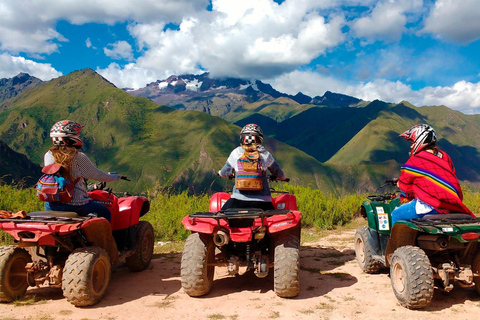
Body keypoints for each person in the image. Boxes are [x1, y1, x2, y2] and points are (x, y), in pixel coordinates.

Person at [391, 124, 474, 225]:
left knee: (395, 214)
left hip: (430, 205)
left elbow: (405, 185)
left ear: (421, 140)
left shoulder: (416, 160)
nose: (411, 146)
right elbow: (450, 176)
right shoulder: (444, 156)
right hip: (451, 204)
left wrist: (400, 185)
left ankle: (396, 241)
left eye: (412, 142)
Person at [43, 120, 122, 222]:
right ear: (71, 137)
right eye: (77, 134)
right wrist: (117, 177)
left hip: (51, 204)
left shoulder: (48, 155)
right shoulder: (78, 157)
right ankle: (106, 238)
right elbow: (98, 175)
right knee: (105, 212)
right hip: (75, 204)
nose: (79, 137)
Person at [218, 123, 287, 211]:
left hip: (238, 200)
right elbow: (278, 172)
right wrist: (283, 178)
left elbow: (224, 172)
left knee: (222, 214)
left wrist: (220, 173)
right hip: (262, 202)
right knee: (272, 218)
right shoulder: (265, 155)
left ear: (242, 138)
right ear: (260, 139)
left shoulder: (236, 153)